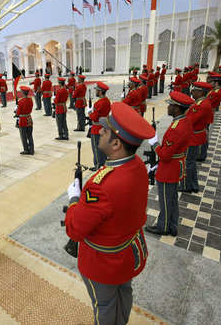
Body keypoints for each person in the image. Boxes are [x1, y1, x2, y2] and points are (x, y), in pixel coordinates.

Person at [64, 102, 155, 325]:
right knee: (124, 294)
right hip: (128, 253)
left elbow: (75, 229)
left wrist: (75, 198)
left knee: (103, 305)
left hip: (104, 262)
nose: (100, 131)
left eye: (105, 130)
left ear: (116, 143)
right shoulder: (136, 165)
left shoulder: (101, 184)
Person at [145, 92, 194, 237]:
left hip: (169, 168)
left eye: (171, 105)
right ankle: (172, 225)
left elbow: (165, 155)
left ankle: (163, 227)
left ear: (177, 109)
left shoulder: (175, 128)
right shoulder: (184, 121)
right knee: (172, 198)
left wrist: (155, 144)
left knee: (165, 201)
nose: (168, 108)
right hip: (177, 164)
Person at [179, 82, 213, 194]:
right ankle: (193, 184)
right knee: (191, 162)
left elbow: (189, 121)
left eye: (194, 90)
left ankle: (186, 186)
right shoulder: (201, 103)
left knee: (187, 162)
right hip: (196, 135)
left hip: (193, 137)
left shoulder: (200, 105)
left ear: (201, 92)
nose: (192, 92)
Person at [198, 72, 221, 161]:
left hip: (207, 115)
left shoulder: (215, 93)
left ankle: (201, 153)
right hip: (208, 114)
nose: (210, 82)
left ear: (216, 82)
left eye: (212, 81)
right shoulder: (214, 90)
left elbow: (206, 102)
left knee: (203, 134)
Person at [88, 82, 111, 171]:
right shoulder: (107, 101)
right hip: (104, 127)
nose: (96, 92)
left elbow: (94, 118)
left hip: (97, 129)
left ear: (100, 91)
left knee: (96, 148)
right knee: (103, 146)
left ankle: (98, 165)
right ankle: (104, 162)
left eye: (97, 91)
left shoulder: (99, 103)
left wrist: (90, 112)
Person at [16, 86, 34, 154]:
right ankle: (31, 149)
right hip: (29, 118)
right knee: (30, 135)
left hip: (23, 120)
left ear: (23, 93)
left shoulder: (21, 101)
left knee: (24, 136)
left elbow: (18, 112)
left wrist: (17, 109)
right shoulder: (30, 100)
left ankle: (26, 149)